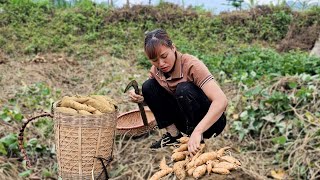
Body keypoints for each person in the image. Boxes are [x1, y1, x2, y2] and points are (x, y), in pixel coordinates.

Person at [128, 28, 228, 155]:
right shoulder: (156, 70)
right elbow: (158, 99)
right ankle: (174, 136)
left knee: (183, 89)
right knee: (148, 86)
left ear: (173, 48)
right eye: (154, 60)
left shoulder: (191, 65)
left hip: (211, 123)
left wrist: (198, 131)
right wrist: (141, 100)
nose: (161, 63)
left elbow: (221, 101)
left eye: (164, 56)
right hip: (185, 120)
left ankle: (197, 139)